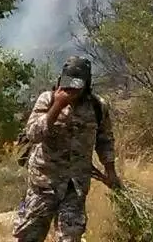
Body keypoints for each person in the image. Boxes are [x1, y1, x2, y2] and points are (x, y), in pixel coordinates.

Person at [13, 56, 120, 242]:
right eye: (68, 82)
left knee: (70, 238)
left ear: (86, 84)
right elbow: (33, 133)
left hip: (75, 185)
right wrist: (57, 106)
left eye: (76, 84)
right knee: (28, 236)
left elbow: (105, 140)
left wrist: (110, 171)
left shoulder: (97, 106)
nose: (71, 88)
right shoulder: (47, 100)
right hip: (44, 182)